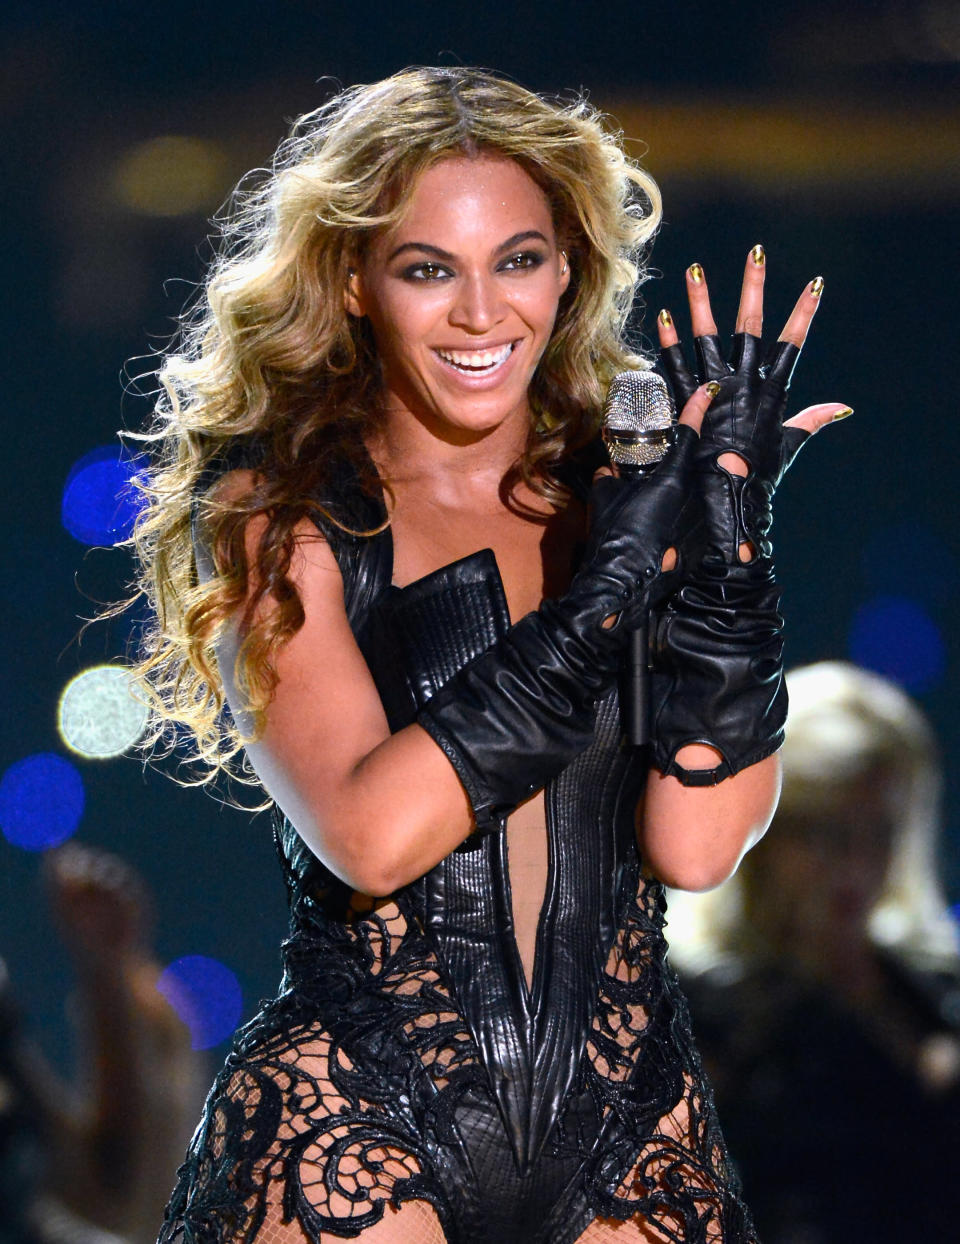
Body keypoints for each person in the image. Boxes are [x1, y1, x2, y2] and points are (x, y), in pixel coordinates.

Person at [132, 68, 850, 1244]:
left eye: (517, 259)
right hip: (355, 1116)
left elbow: (700, 845)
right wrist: (604, 595)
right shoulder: (281, 514)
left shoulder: (627, 495)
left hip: (631, 1120)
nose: (480, 313)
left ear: (568, 269)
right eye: (429, 269)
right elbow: (371, 834)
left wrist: (728, 558)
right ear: (355, 284)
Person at [667, 662, 960, 1241]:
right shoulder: (700, 1009)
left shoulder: (934, 987)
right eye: (827, 833)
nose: (856, 865)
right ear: (766, 831)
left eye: (880, 831)